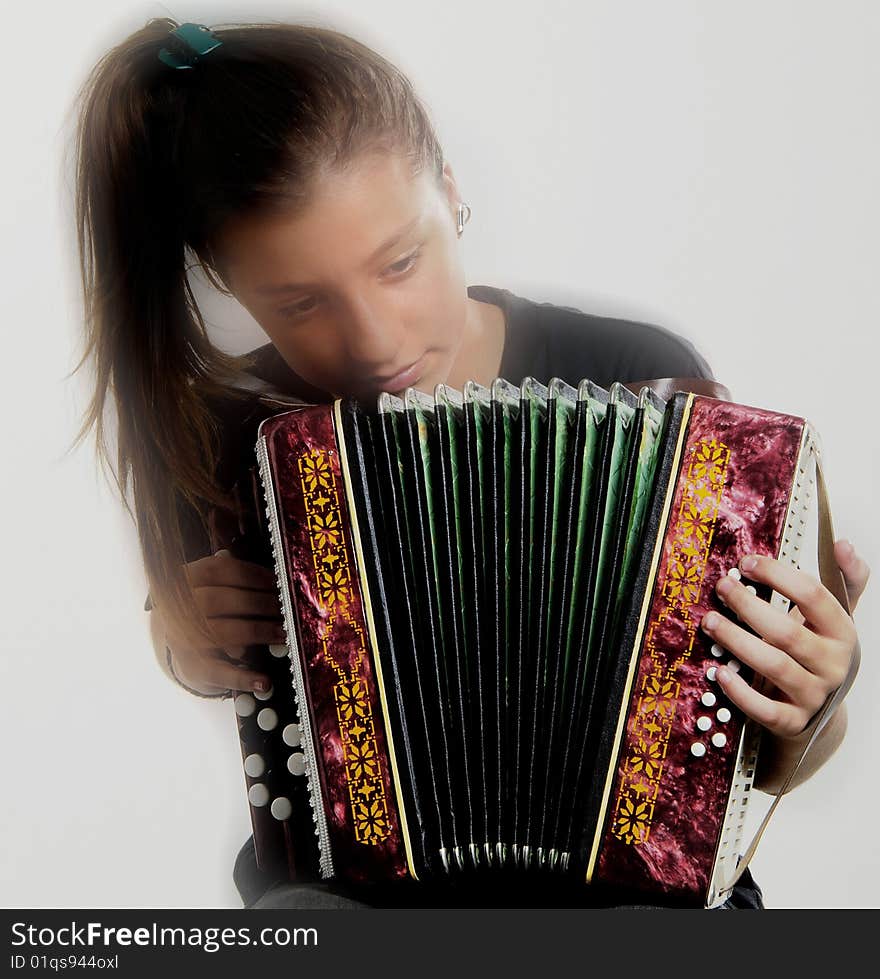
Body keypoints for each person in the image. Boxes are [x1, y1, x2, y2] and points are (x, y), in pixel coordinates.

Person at [70, 19, 868, 909]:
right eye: (299, 303)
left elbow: (764, 769)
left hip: (634, 898)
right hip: (366, 902)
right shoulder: (246, 435)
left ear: (450, 192)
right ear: (228, 280)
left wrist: (816, 696)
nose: (375, 342)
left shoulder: (645, 383)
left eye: (401, 261)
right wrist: (182, 638)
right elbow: (214, 652)